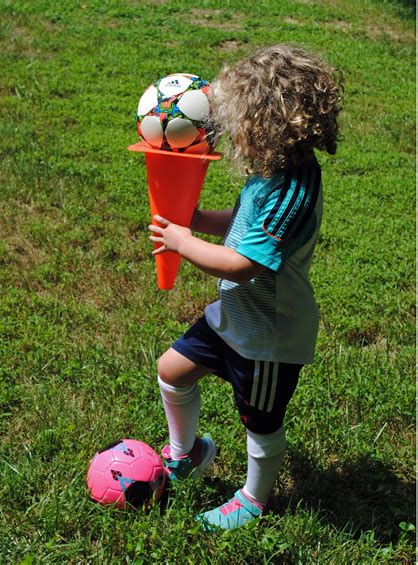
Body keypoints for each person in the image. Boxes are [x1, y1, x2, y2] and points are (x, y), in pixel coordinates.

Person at [148, 44, 343, 530]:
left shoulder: (290, 190)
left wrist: (182, 240)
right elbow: (241, 222)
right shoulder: (272, 174)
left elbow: (241, 265)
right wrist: (195, 218)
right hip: (237, 318)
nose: (231, 131)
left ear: (267, 123)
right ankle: (186, 452)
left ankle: (254, 499)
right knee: (172, 369)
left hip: (268, 339)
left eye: (238, 120)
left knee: (260, 423)